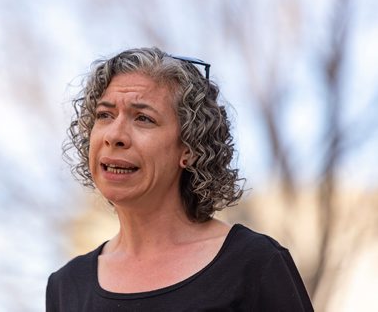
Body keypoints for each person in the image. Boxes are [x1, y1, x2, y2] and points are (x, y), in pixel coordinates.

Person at [46, 47, 313, 311]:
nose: (114, 135)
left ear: (189, 148)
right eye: (105, 115)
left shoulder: (254, 262)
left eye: (143, 118)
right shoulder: (66, 285)